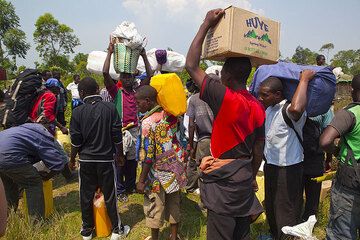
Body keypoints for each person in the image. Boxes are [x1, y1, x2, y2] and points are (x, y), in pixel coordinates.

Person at [186, 9, 266, 240]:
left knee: (220, 232)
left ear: (227, 76)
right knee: (241, 232)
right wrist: (251, 176)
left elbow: (191, 65)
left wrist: (206, 24)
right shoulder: (258, 106)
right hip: (242, 178)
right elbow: (258, 149)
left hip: (224, 184)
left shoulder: (226, 98)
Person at [69, 77, 130, 240]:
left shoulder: (77, 112)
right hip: (105, 160)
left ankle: (87, 231)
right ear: (97, 90)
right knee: (110, 194)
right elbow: (117, 136)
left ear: (82, 93)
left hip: (86, 161)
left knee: (85, 195)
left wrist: (72, 159)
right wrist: (120, 155)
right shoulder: (110, 108)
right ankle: (117, 230)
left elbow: (75, 141)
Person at [257, 71, 315, 239]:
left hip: (289, 169)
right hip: (271, 166)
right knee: (272, 205)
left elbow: (297, 108)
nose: (261, 98)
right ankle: (276, 235)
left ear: (278, 94)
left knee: (286, 209)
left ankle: (288, 237)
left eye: (265, 95)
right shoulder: (270, 110)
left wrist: (304, 79)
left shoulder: (290, 110)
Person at [103, 39, 153, 202]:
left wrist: (144, 56)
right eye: (124, 76)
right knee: (119, 161)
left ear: (133, 77)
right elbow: (105, 74)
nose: (128, 79)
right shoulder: (116, 91)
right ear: (120, 78)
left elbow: (150, 75)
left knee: (132, 161)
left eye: (130, 76)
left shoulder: (137, 92)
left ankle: (130, 186)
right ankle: (120, 189)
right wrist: (110, 52)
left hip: (135, 130)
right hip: (121, 131)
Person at [135, 85, 186, 240]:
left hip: (155, 172)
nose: (137, 106)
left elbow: (149, 155)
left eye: (138, 103)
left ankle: (155, 237)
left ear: (148, 101)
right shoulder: (171, 116)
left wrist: (142, 180)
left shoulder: (148, 123)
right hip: (174, 167)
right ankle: (174, 236)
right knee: (173, 201)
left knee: (154, 204)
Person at [320, 74, 360, 240]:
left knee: (341, 232)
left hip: (350, 183)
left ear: (352, 89)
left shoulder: (350, 114)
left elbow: (325, 141)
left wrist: (335, 152)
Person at [0, 123, 67, 220]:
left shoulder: (24, 130)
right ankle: (36, 223)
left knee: (9, 188)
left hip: (5, 155)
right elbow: (58, 164)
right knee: (33, 183)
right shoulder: (41, 136)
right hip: (9, 156)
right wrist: (46, 176)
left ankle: (6, 219)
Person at [301, 108, 334, 221]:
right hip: (315, 157)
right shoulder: (324, 108)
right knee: (313, 195)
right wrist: (329, 159)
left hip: (294, 157)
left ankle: (293, 223)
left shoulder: (293, 105)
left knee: (293, 194)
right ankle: (309, 222)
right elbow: (328, 138)